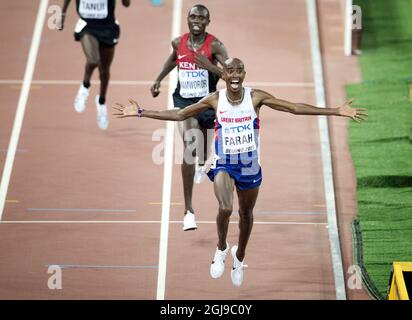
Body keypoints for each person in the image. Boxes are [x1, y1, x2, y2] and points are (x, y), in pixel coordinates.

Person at [112, 58, 367, 287]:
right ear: (223, 74)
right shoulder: (215, 99)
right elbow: (180, 114)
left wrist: (335, 110)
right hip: (224, 163)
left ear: (244, 74)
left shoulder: (255, 97)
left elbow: (294, 108)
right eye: (229, 70)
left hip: (249, 166)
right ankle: (221, 248)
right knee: (225, 208)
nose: (234, 74)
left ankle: (239, 256)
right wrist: (142, 112)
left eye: (239, 70)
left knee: (246, 214)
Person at [150, 4, 229, 231]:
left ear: (208, 21)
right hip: (184, 102)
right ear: (187, 19)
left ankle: (203, 163)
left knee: (203, 152)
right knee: (190, 146)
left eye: (201, 18)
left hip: (208, 103)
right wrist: (158, 79)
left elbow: (233, 75)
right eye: (193, 16)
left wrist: (210, 67)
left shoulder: (215, 45)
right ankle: (188, 211)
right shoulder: (178, 42)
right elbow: (173, 59)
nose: (196, 20)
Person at [59, 0, 131, 130]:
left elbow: (126, 4)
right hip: (87, 26)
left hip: (108, 28)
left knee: (104, 70)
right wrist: (62, 14)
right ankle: (85, 86)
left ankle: (101, 102)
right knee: (93, 60)